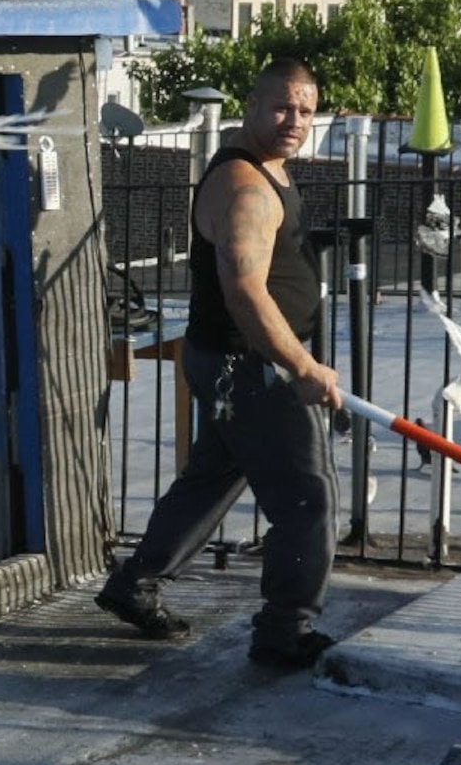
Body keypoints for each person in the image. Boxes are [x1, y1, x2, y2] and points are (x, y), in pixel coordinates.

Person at [98, 57, 342, 664]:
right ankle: (284, 632)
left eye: (306, 110)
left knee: (209, 482)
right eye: (282, 107)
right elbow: (245, 290)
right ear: (253, 108)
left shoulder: (268, 173)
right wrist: (301, 366)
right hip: (254, 369)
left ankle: (134, 585)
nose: (294, 120)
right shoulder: (245, 186)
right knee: (309, 501)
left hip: (234, 365)